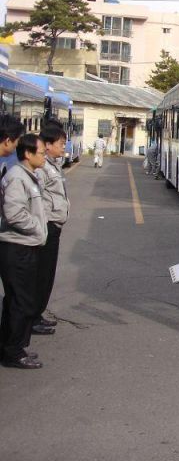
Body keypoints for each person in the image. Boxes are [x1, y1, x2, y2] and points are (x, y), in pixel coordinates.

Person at [0, 134, 48, 369]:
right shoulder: (18, 178)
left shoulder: (29, 176)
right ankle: (14, 352)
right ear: (28, 154)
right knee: (21, 301)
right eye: (41, 152)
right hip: (18, 247)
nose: (44, 156)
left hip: (24, 245)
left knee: (17, 301)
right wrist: (38, 227)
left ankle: (12, 347)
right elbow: (14, 214)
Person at [32, 124, 70, 337]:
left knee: (47, 275)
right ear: (47, 145)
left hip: (54, 226)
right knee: (41, 275)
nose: (63, 148)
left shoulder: (53, 165)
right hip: (46, 227)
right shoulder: (42, 168)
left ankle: (37, 314)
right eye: (61, 144)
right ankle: (33, 317)